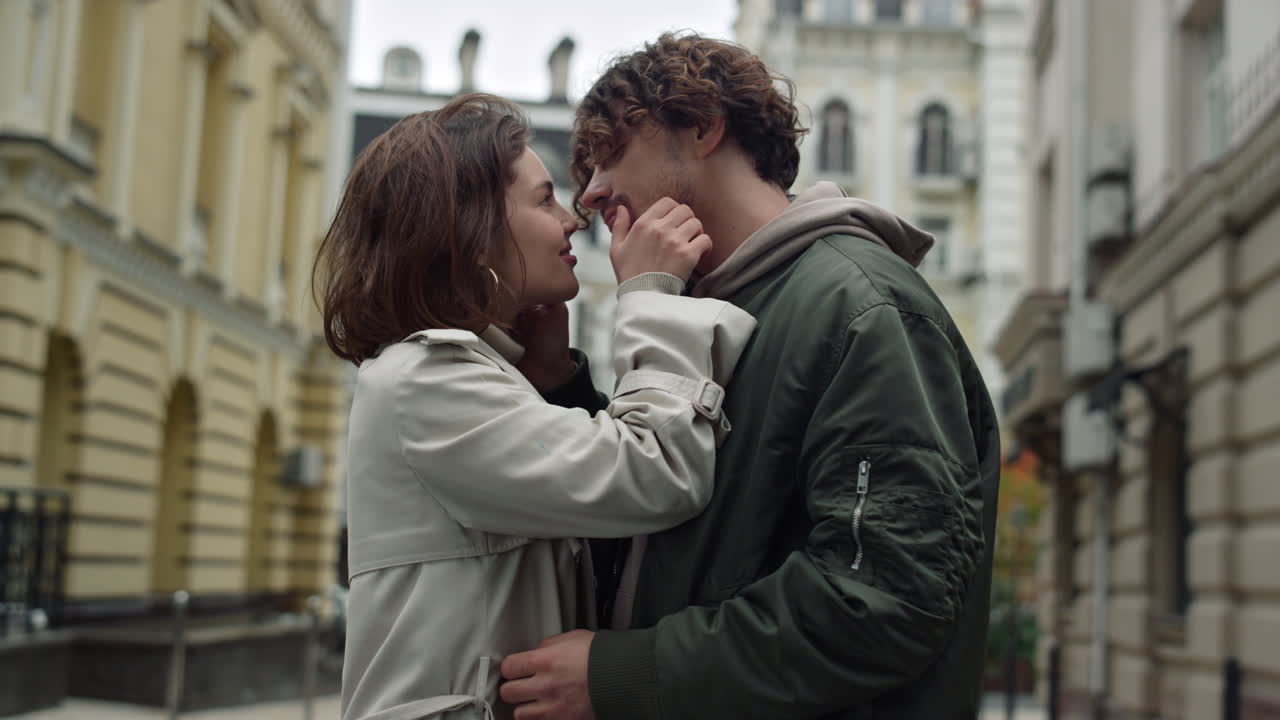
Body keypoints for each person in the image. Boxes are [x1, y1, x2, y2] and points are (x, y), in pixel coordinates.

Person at [499, 33, 1001, 720]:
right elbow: (671, 538)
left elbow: (880, 601)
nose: (591, 194)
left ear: (704, 126)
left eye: (612, 154)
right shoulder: (710, 312)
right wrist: (561, 381)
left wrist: (621, 675)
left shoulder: (860, 306)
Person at [315, 93, 757, 720]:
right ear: (470, 230)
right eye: (543, 199)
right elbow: (657, 475)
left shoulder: (462, 374)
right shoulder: (426, 380)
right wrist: (653, 299)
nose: (575, 217)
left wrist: (549, 378)